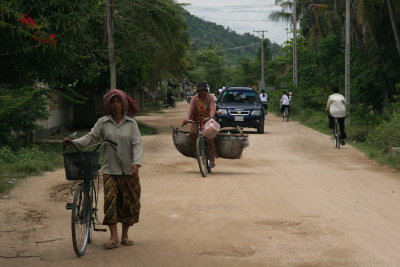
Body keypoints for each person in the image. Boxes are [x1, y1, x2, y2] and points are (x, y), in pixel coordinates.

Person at [63, 89, 143, 249]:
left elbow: (137, 144)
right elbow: (91, 137)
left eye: (118, 101)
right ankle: (114, 237)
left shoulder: (131, 123)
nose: (115, 104)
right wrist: (74, 142)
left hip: (129, 170)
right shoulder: (103, 122)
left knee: (129, 202)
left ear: (123, 104)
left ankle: (125, 235)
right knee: (110, 201)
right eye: (112, 101)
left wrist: (137, 163)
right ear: (108, 104)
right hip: (110, 169)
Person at [182, 82, 217, 167]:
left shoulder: (210, 98)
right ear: (198, 91)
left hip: (207, 120)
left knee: (210, 138)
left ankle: (211, 159)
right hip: (196, 120)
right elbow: (190, 109)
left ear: (206, 91)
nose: (202, 92)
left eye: (203, 90)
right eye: (200, 91)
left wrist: (212, 116)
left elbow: (212, 107)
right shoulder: (194, 98)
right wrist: (188, 119)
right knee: (193, 133)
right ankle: (196, 150)